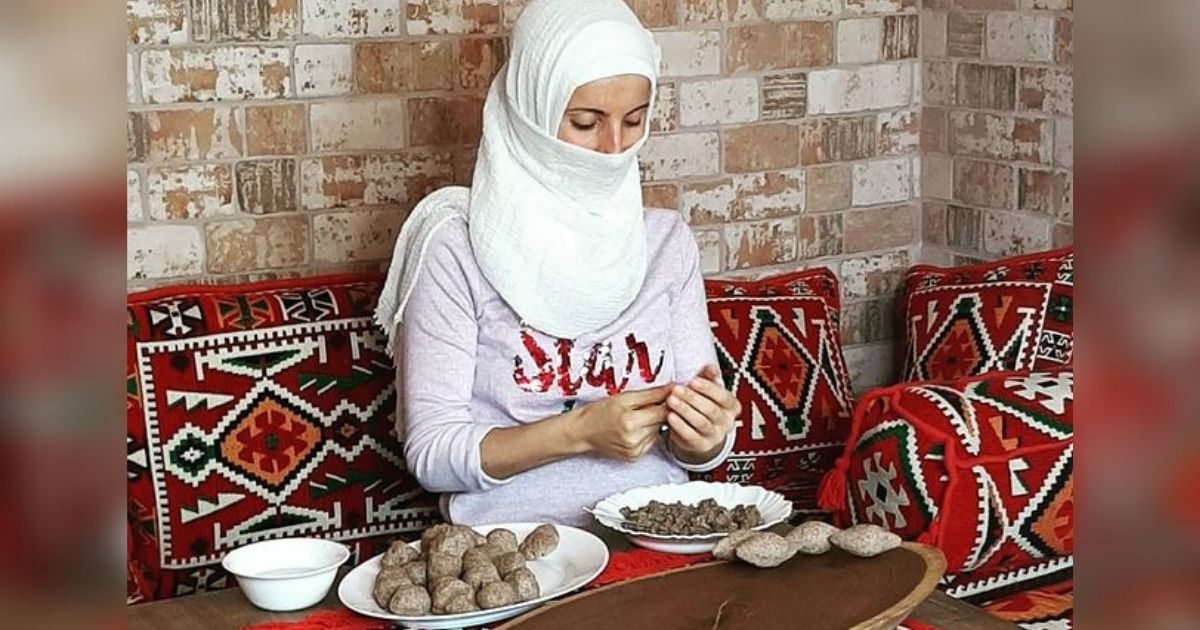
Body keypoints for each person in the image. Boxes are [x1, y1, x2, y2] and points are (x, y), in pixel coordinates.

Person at [375, 0, 739, 527]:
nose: (614, 148)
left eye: (634, 120)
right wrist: (579, 433)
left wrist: (705, 438)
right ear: (532, 112)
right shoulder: (455, 246)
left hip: (656, 535)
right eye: (586, 122)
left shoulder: (665, 242)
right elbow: (432, 455)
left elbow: (701, 449)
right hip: (515, 554)